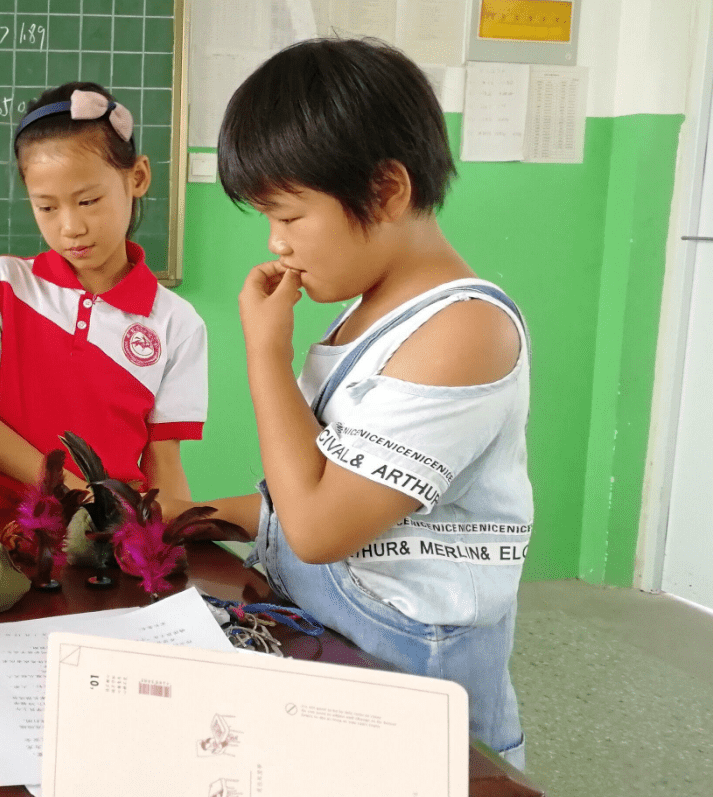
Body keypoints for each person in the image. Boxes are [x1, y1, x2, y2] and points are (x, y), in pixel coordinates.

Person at [202, 39, 532, 766]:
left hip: (416, 686)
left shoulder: (461, 330)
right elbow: (316, 487)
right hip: (343, 652)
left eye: (287, 216)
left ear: (385, 190)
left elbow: (319, 527)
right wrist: (181, 514)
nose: (274, 242)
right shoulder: (365, 315)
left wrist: (265, 354)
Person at [0, 81, 208, 509]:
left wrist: (168, 542)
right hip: (0, 513)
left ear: (137, 177)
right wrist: (76, 494)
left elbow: (164, 463)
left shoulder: (177, 322)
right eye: (46, 207)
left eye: (88, 201)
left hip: (109, 529)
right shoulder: (1, 284)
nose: (70, 227)